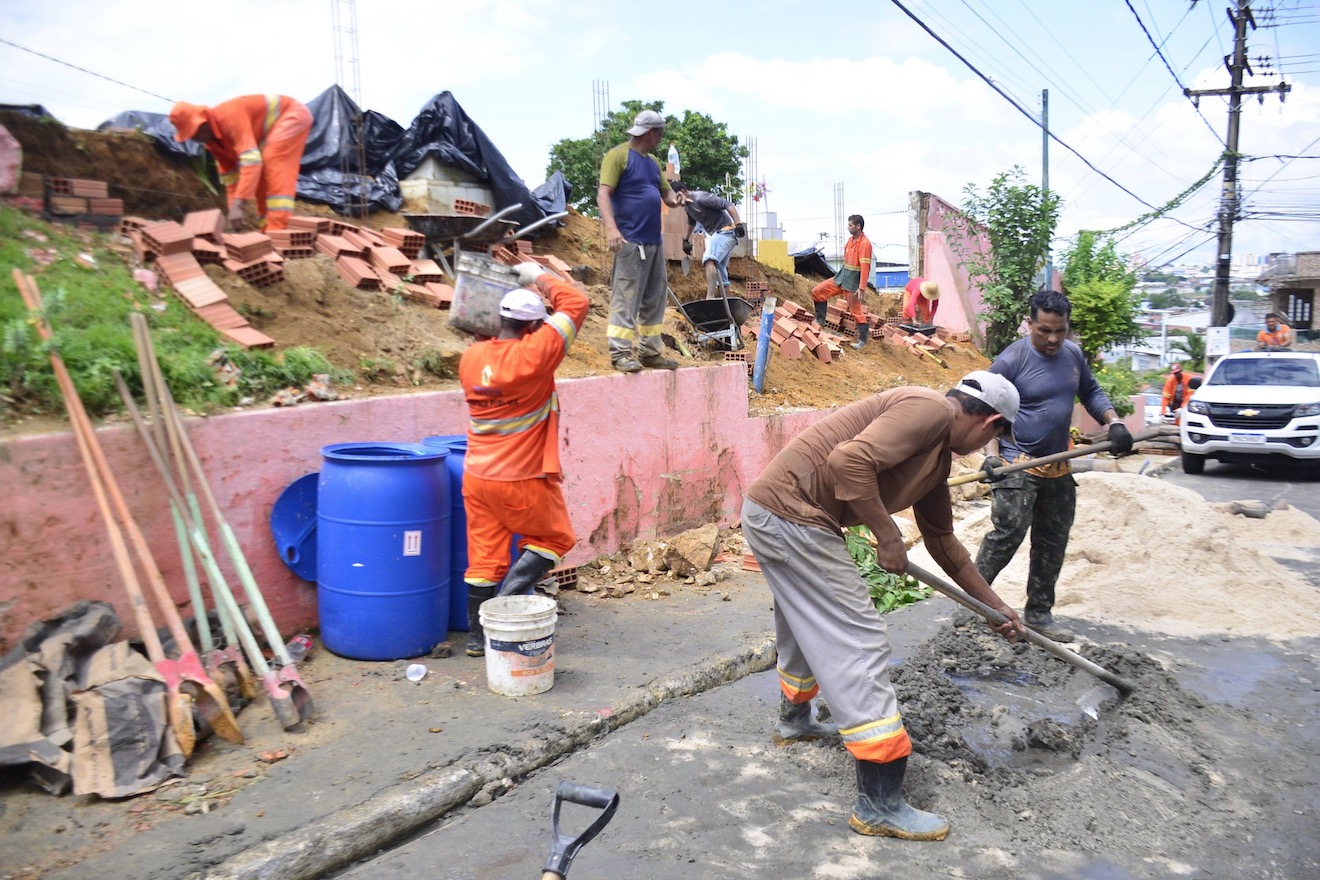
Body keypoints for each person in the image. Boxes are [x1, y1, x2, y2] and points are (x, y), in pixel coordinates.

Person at [741, 371, 1025, 841]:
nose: (986, 446)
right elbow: (847, 460)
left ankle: (795, 719)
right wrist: (887, 534)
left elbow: (943, 542)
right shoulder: (931, 409)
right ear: (990, 422)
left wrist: (995, 608)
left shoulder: (935, 458)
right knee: (860, 641)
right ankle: (880, 802)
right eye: (995, 435)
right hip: (793, 515)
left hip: (775, 513)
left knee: (801, 621)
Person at [975, 290, 1133, 644]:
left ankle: (1039, 614)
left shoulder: (1073, 355)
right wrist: (992, 453)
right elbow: (984, 407)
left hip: (1058, 464)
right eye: (1044, 330)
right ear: (1030, 323)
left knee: (1052, 541)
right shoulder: (1012, 360)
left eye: (1059, 331)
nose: (1052, 339)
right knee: (1007, 535)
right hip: (1017, 463)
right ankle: (970, 604)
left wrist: (1114, 422)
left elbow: (1091, 393)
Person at [457, 263, 589, 657]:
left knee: (484, 559)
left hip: (477, 475)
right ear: (533, 328)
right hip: (522, 477)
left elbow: (491, 342)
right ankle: (507, 608)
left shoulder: (471, 358)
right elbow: (576, 302)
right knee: (554, 537)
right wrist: (540, 276)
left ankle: (476, 639)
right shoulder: (535, 355)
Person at [597, 110, 688, 373]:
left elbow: (667, 196)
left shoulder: (652, 163)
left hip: (653, 242)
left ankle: (649, 352)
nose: (660, 139)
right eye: (659, 134)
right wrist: (611, 230)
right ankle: (620, 353)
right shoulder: (618, 156)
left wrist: (678, 200)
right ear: (651, 133)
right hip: (630, 240)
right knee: (626, 298)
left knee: (654, 299)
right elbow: (603, 195)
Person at [170, 95, 313, 232]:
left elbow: (251, 161)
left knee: (273, 159)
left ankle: (280, 228)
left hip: (292, 114)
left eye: (194, 132)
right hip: (270, 133)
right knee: (261, 171)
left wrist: (239, 205)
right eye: (190, 136)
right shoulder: (214, 144)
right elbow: (231, 179)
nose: (196, 139)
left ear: (203, 120)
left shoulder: (229, 115)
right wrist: (233, 210)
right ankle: (267, 228)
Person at [670, 180, 745, 302]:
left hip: (725, 232)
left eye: (677, 197)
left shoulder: (701, 198)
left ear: (683, 192)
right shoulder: (688, 207)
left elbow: (727, 204)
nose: (676, 202)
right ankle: (727, 303)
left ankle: (710, 298)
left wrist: (738, 223)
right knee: (720, 269)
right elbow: (691, 222)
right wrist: (685, 240)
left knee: (709, 259)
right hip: (718, 234)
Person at [811, 214, 873, 350]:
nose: (848, 227)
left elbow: (865, 268)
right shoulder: (850, 241)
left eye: (850, 225)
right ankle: (820, 320)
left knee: (855, 310)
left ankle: (862, 340)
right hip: (841, 277)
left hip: (852, 283)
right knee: (817, 292)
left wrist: (862, 288)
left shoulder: (865, 244)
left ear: (858, 226)